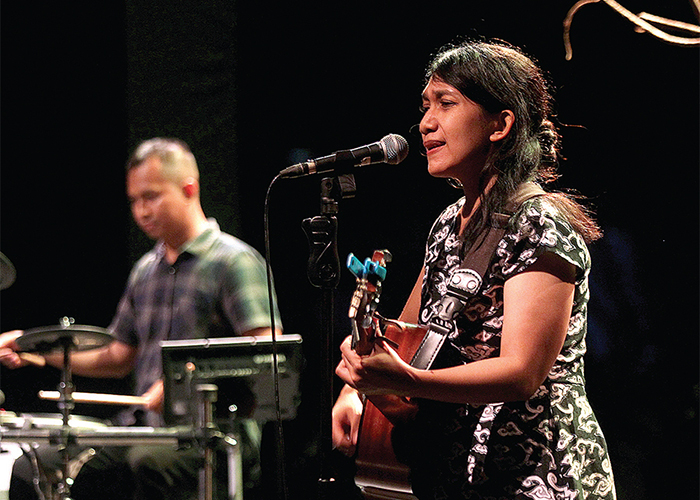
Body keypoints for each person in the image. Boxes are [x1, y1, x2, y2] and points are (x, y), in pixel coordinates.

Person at [331, 40, 617, 499]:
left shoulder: (539, 223)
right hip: (458, 472)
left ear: (500, 124)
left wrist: (407, 381)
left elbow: (522, 373)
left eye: (446, 103)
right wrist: (358, 390)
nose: (426, 123)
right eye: (425, 106)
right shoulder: (448, 223)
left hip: (535, 472)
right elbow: (404, 337)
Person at [0, 137, 283, 500]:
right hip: (145, 430)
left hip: (213, 433)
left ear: (189, 189)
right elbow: (117, 355)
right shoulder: (145, 270)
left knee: (145, 462)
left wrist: (185, 382)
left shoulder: (233, 261)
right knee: (35, 464)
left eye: (151, 197)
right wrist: (34, 350)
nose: (141, 211)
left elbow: (267, 350)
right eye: (134, 200)